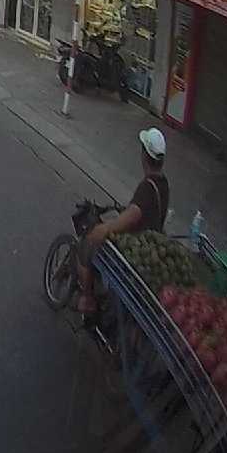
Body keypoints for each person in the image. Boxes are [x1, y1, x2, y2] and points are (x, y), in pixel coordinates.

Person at [77, 128, 170, 317]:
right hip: (151, 241)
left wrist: (105, 228)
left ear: (144, 155)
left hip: (136, 246)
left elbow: (134, 215)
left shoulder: (147, 187)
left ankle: (87, 299)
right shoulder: (163, 183)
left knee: (87, 243)